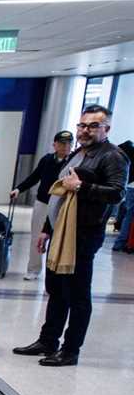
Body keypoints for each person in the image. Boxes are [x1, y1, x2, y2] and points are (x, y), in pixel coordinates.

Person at [13, 104, 128, 366]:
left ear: (106, 129)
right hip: (60, 233)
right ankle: (48, 340)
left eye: (93, 126)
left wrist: (83, 186)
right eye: (82, 125)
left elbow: (117, 193)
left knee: (77, 294)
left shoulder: (113, 156)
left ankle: (70, 350)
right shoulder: (78, 153)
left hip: (83, 235)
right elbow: (62, 197)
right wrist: (46, 230)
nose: (85, 130)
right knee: (56, 289)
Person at [10, 130, 73, 279]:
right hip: (43, 203)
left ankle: (54, 275)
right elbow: (34, 177)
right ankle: (33, 269)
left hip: (62, 205)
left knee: (58, 240)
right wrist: (19, 189)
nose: (66, 146)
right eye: (62, 143)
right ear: (54, 145)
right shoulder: (47, 160)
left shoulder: (73, 162)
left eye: (69, 143)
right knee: (37, 237)